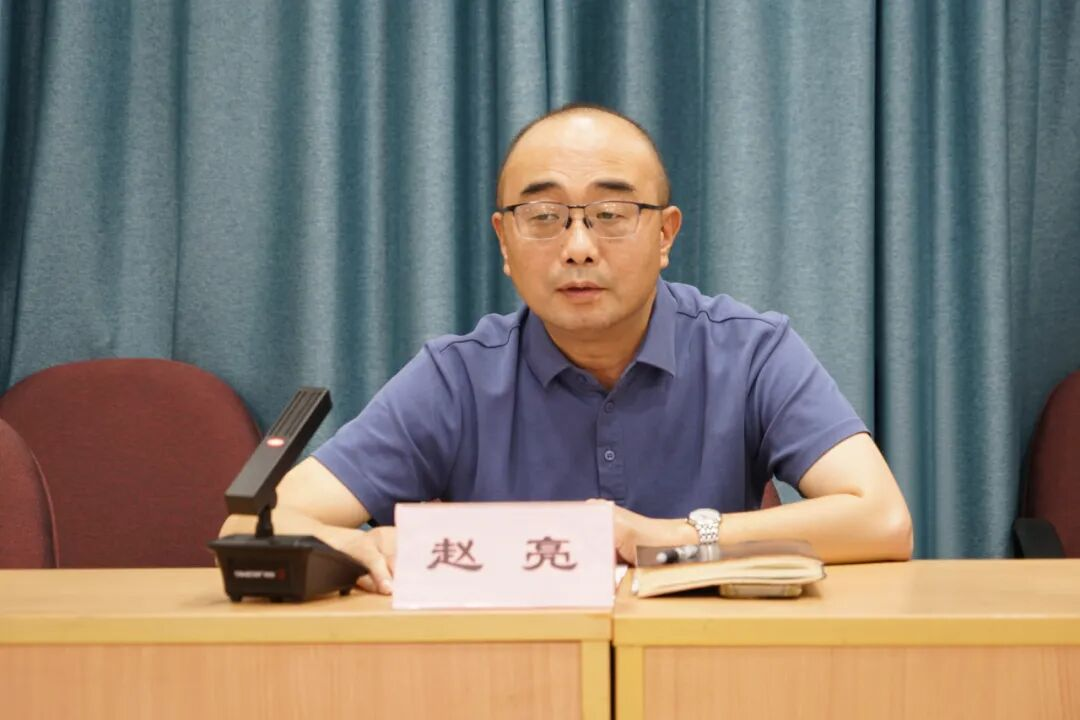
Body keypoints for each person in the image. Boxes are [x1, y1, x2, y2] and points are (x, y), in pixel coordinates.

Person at [220, 104, 913, 595]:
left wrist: (672, 536)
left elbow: (882, 519)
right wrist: (357, 544)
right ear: (504, 242)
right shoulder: (456, 378)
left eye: (610, 214)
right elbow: (254, 521)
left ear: (665, 235)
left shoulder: (751, 351)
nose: (578, 247)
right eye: (544, 217)